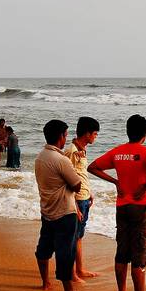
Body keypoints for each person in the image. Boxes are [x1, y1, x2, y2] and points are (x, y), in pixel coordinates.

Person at [88, 114, 146, 291]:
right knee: (139, 256)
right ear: (145, 134)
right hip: (142, 208)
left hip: (122, 207)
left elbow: (92, 167)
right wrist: (144, 187)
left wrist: (115, 181)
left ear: (128, 132)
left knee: (122, 252)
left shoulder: (118, 152)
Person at [33, 119, 88, 291]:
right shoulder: (61, 159)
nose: (67, 138)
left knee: (44, 249)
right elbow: (76, 185)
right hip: (64, 212)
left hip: (47, 210)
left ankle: (45, 282)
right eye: (65, 135)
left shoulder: (40, 156)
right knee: (65, 253)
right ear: (60, 137)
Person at [64, 116, 100, 282]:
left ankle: (80, 269)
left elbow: (80, 174)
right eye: (95, 133)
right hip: (77, 200)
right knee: (72, 238)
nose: (96, 137)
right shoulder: (72, 151)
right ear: (87, 134)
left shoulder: (81, 150)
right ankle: (72, 274)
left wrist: (89, 192)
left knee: (78, 237)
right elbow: (67, 180)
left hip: (84, 198)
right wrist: (75, 206)